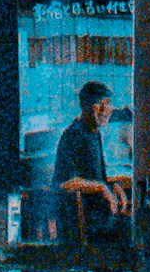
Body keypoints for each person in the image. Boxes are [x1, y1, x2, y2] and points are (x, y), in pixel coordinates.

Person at [50, 82, 130, 251]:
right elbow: (65, 183)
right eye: (97, 105)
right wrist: (101, 188)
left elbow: (94, 175)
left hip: (101, 216)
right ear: (84, 106)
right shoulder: (74, 135)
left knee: (136, 225)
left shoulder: (94, 133)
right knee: (133, 231)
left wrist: (112, 185)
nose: (104, 111)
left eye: (107, 104)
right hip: (85, 224)